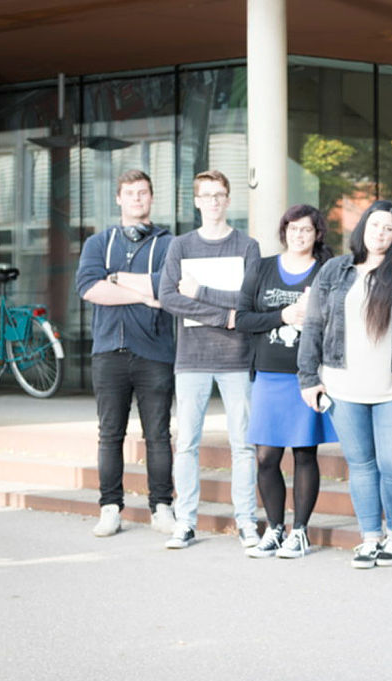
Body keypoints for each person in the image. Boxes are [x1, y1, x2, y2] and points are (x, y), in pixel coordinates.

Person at [297, 200, 392, 569]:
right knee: (362, 464)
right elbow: (314, 325)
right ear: (363, 228)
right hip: (343, 387)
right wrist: (308, 378)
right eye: (375, 225)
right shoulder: (336, 271)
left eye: (389, 228)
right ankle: (370, 536)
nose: (381, 233)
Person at [157, 170, 261, 550]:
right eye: (207, 195)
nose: (214, 201)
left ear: (228, 200)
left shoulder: (247, 246)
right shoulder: (181, 247)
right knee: (186, 443)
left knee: (243, 444)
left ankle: (247, 522)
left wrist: (202, 291)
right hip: (192, 359)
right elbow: (169, 298)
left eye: (220, 194)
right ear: (196, 201)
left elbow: (249, 300)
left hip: (236, 358)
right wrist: (222, 315)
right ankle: (185, 522)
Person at [75, 169, 176, 537]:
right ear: (118, 198)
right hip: (108, 352)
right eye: (130, 193)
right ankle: (110, 507)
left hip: (155, 352)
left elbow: (169, 288)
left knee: (158, 435)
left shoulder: (169, 244)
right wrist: (144, 295)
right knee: (110, 434)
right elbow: (89, 288)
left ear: (151, 197)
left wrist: (115, 278)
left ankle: (162, 506)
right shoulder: (98, 243)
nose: (137, 198)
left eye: (143, 192)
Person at [235, 204, 337, 558]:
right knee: (266, 457)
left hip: (306, 377)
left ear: (316, 234)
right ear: (284, 232)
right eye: (293, 229)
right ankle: (275, 529)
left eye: (306, 230)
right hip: (268, 375)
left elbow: (339, 322)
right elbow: (242, 318)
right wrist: (282, 315)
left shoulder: (326, 271)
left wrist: (311, 318)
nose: (299, 235)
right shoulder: (262, 268)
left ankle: (300, 531)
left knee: (304, 453)